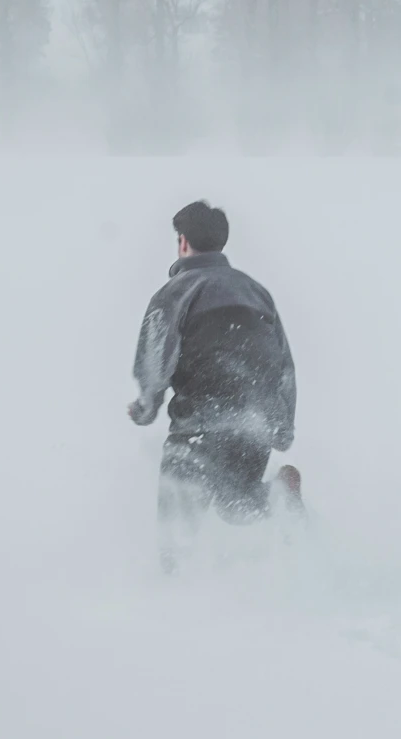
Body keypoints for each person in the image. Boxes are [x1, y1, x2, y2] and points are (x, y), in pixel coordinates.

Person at [128, 201, 299, 562]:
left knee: (175, 526)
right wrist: (282, 427)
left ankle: (167, 593)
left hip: (200, 422)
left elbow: (156, 355)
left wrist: (146, 407)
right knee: (239, 505)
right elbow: (283, 363)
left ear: (183, 242)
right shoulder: (256, 291)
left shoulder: (176, 291)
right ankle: (278, 494)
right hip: (254, 422)